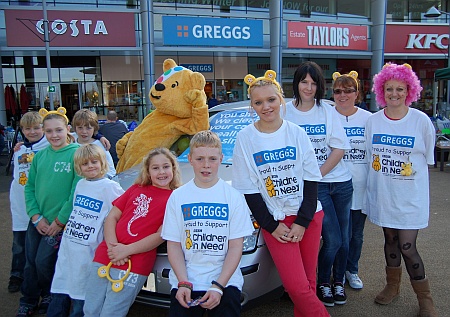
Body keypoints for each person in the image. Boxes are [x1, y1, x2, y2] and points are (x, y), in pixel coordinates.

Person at [232, 70, 329, 317]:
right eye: (258, 102)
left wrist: (303, 222)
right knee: (296, 286)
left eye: (271, 100)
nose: (266, 107)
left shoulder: (296, 133)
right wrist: (272, 226)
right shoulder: (245, 139)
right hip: (276, 222)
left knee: (308, 283)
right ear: (251, 105)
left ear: (281, 99)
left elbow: (311, 179)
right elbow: (249, 190)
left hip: (308, 217)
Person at [366, 63, 437, 316]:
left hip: (410, 198)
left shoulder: (421, 121)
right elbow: (369, 157)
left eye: (399, 88)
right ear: (380, 90)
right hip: (384, 194)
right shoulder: (373, 121)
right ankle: (392, 286)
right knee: (390, 241)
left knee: (408, 247)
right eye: (388, 89)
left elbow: (427, 161)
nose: (394, 93)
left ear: (410, 90)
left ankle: (425, 299)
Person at [162, 130, 254, 317]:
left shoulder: (233, 197)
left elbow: (236, 247)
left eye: (212, 159)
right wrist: (183, 282)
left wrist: (219, 286)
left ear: (221, 158)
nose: (206, 165)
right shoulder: (178, 196)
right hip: (186, 281)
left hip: (225, 282)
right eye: (200, 159)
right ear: (189, 159)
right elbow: (173, 244)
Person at [83, 147, 181, 317]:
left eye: (166, 166)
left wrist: (126, 250)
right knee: (90, 309)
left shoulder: (175, 199)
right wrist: (113, 248)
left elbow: (160, 235)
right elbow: (112, 217)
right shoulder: (136, 188)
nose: (161, 172)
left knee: (112, 312)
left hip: (135, 262)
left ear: (173, 168)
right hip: (107, 254)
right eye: (155, 168)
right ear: (148, 172)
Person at [285, 61, 352, 307]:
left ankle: (337, 282)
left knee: (343, 240)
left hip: (339, 182)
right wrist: (312, 180)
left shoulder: (327, 110)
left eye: (314, 83)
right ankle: (322, 282)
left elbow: (339, 148)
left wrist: (317, 174)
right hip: (314, 188)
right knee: (332, 239)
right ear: (297, 83)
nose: (309, 87)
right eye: (304, 81)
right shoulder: (285, 111)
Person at [16, 107, 81, 317]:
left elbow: (76, 192)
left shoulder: (76, 154)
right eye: (49, 131)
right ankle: (29, 300)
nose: (54, 135)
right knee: (30, 263)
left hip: (60, 223)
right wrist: (35, 217)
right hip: (38, 221)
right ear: (44, 132)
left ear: (68, 129)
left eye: (59, 130)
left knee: (44, 262)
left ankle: (51, 294)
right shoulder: (40, 156)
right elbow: (30, 188)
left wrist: (60, 221)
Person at [47, 144, 124, 317]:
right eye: (85, 164)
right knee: (62, 286)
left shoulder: (110, 187)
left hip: (90, 250)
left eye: (94, 162)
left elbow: (122, 212)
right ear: (78, 167)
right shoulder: (81, 184)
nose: (90, 166)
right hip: (70, 246)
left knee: (82, 295)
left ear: (102, 162)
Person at [332, 71, 372, 290]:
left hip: (361, 186)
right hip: (334, 187)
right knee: (335, 236)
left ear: (357, 93)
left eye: (348, 90)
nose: (343, 95)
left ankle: (351, 270)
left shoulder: (369, 119)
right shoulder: (327, 115)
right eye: (338, 91)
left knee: (356, 234)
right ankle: (333, 272)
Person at [8, 112, 48, 293]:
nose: (32, 132)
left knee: (36, 249)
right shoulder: (20, 148)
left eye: (36, 128)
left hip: (38, 206)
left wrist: (99, 136)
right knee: (18, 244)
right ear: (22, 130)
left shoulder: (49, 145)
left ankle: (38, 283)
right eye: (27, 129)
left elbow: (75, 135)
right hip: (19, 204)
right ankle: (16, 275)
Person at [72, 109, 116, 179]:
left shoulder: (99, 145)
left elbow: (110, 169)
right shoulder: (71, 141)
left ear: (94, 128)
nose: (84, 131)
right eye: (80, 128)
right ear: (75, 128)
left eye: (88, 128)